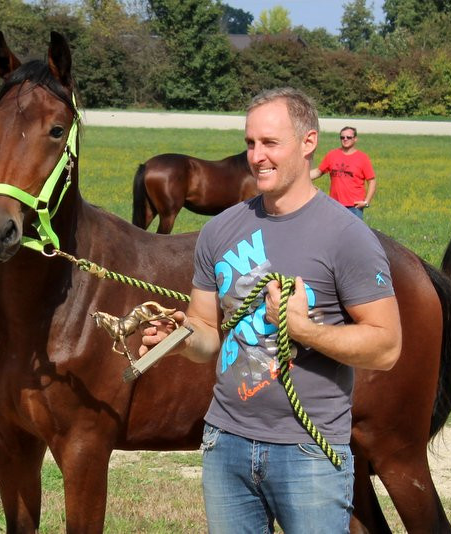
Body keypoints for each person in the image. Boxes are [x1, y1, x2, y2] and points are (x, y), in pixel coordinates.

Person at [139, 87, 401, 534]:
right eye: (250, 143)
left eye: (270, 143)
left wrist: (304, 329)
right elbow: (206, 333)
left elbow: (386, 346)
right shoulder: (219, 230)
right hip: (226, 444)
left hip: (309, 453)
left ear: (308, 142)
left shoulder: (346, 236)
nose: (256, 157)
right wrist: (179, 338)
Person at [309, 126, 376, 219]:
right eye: (342, 137)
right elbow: (318, 171)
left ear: (355, 139)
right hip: (334, 205)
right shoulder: (332, 155)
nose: (345, 139)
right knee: (333, 232)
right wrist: (299, 179)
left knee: (353, 233)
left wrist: (366, 202)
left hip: (354, 207)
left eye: (348, 137)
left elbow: (372, 181)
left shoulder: (362, 158)